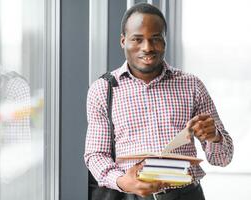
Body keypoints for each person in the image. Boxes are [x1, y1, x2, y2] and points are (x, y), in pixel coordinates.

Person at [84, 3, 233, 200]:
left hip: (186, 195)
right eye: (137, 39)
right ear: (123, 41)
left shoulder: (192, 85)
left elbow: (222, 158)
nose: (147, 47)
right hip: (130, 196)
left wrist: (215, 136)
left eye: (156, 39)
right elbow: (96, 155)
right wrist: (122, 181)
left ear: (164, 41)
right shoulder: (103, 89)